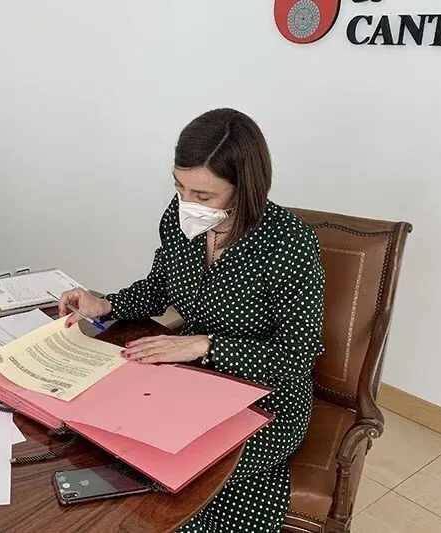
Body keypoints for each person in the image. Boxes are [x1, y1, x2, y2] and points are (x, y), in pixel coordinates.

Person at [59, 108, 324, 533]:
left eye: (203, 196)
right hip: (189, 379)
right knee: (116, 446)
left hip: (265, 397)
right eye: (179, 186)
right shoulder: (180, 217)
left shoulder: (289, 243)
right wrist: (104, 303)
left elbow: (298, 357)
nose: (186, 203)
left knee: (184, 480)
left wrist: (204, 345)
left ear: (246, 188)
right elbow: (160, 286)